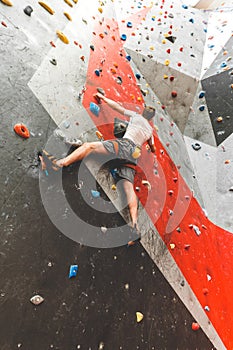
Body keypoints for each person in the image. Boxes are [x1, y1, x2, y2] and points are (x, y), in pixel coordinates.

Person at [56, 92, 156, 236]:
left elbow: (117, 107)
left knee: (89, 147)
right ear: (151, 119)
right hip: (135, 154)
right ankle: (135, 224)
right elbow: (152, 148)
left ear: (143, 111)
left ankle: (61, 163)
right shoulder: (150, 131)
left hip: (125, 145)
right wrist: (149, 145)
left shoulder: (136, 116)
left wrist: (102, 98)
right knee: (129, 189)